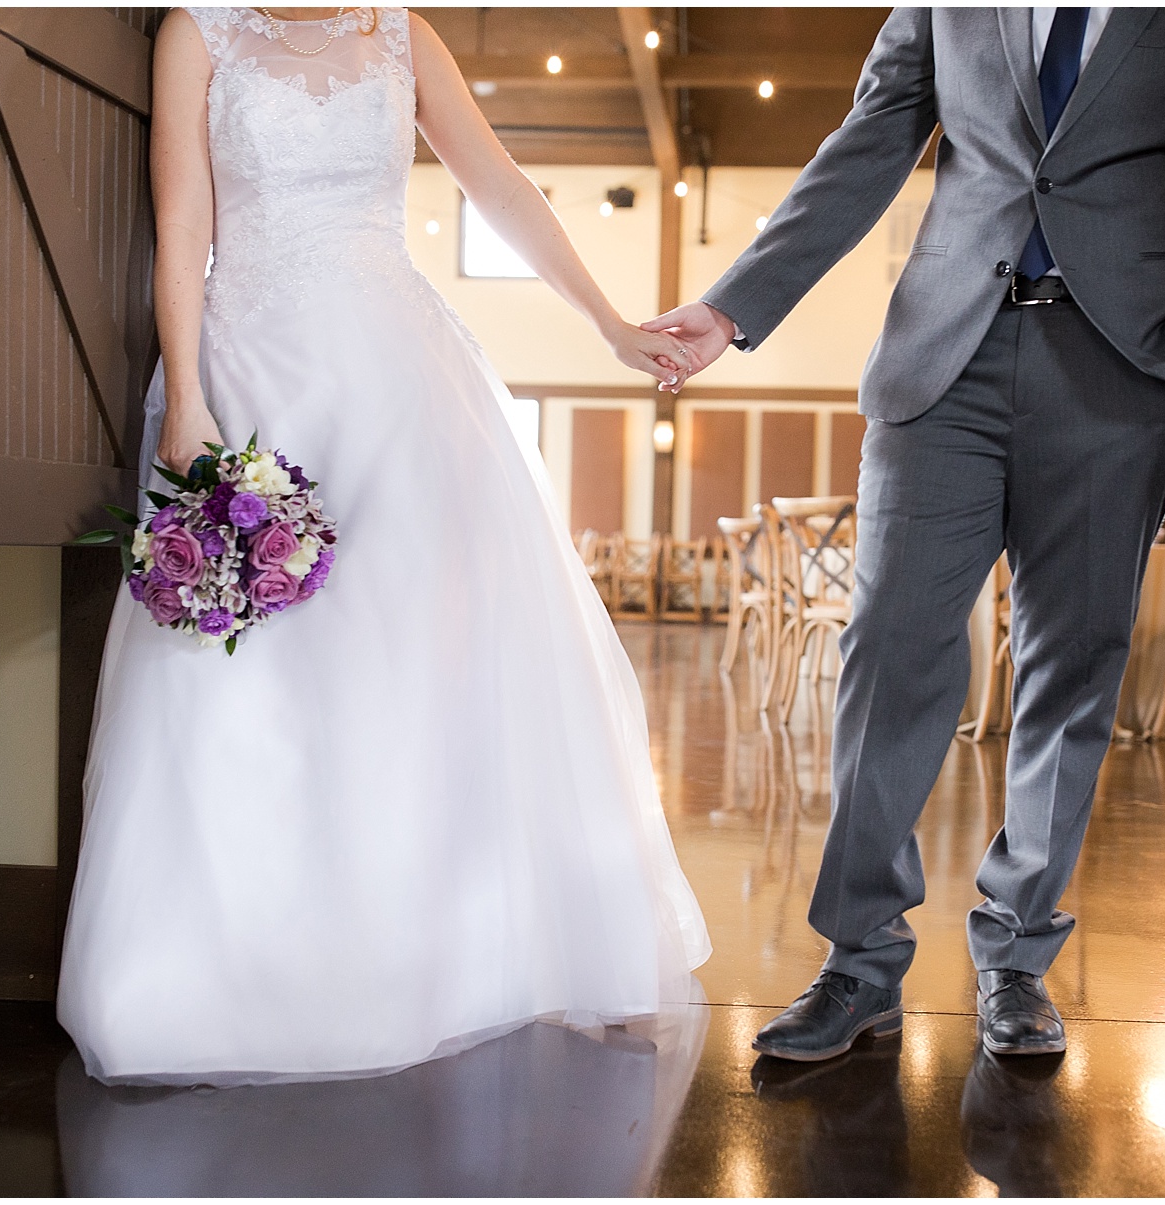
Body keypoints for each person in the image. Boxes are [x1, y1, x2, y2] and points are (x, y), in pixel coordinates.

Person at [58, 6, 710, 1085]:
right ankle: (239, 965)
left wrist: (607, 319)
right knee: (250, 674)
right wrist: (187, 402)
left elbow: (499, 184)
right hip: (254, 369)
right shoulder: (200, 32)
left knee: (410, 661)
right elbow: (183, 223)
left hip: (400, 381)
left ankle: (428, 953)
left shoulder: (403, 32)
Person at [648, 7, 1165, 1061]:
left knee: (1072, 661)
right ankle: (858, 960)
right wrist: (731, 308)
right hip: (944, 352)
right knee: (889, 648)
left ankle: (1019, 954)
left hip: (1127, 368)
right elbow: (871, 136)